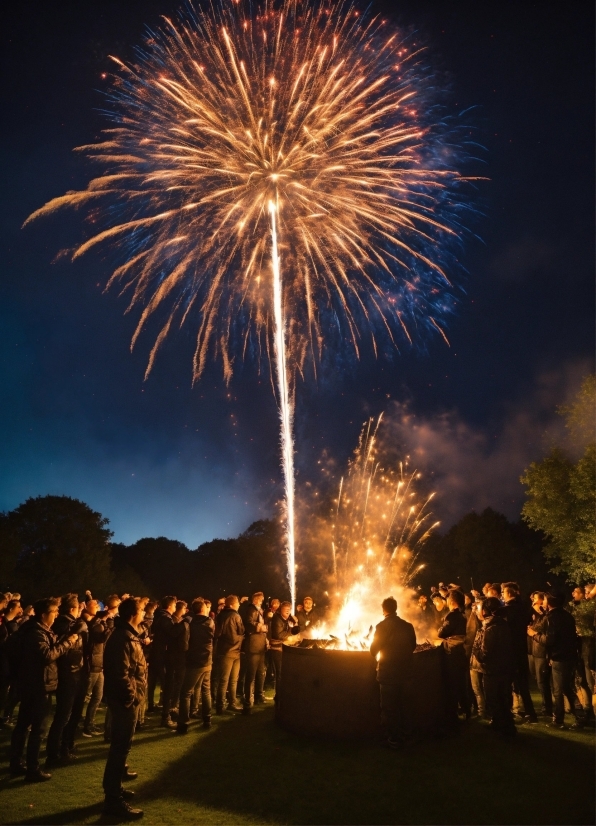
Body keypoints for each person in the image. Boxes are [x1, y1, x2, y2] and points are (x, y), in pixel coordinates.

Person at [10, 598, 78, 782]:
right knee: (38, 728)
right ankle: (33, 768)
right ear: (43, 614)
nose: (56, 615)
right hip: (38, 685)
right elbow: (47, 655)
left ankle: (16, 762)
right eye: (54, 612)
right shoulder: (35, 633)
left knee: (24, 724)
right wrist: (69, 641)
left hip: (32, 683)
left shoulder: (38, 630)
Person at [102, 597, 147, 820]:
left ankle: (115, 790)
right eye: (142, 611)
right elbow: (121, 674)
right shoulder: (122, 638)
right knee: (119, 749)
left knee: (122, 748)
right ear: (133, 614)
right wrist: (131, 697)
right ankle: (113, 801)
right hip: (124, 702)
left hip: (126, 701)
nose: (144, 615)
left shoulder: (128, 635)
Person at [528, 593, 582, 729]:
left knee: (559, 690)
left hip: (560, 657)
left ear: (550, 602)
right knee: (566, 687)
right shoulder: (567, 616)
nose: (543, 602)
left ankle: (559, 720)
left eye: (545, 600)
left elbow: (549, 640)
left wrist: (534, 634)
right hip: (568, 655)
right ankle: (579, 717)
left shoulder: (552, 618)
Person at [45, 594, 88, 767]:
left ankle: (67, 745)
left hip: (76, 671)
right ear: (72, 609)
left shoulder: (73, 623)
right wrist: (75, 631)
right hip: (68, 674)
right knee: (64, 715)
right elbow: (61, 649)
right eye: (78, 607)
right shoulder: (64, 624)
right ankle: (55, 752)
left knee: (74, 713)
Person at [369, 596, 417, 749]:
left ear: (384, 610)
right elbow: (413, 646)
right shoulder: (408, 625)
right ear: (395, 608)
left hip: (388, 674)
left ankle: (393, 739)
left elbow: (373, 649)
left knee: (389, 708)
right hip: (406, 673)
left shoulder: (381, 626)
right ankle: (408, 737)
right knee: (406, 706)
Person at [472, 597, 516, 737]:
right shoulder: (502, 624)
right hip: (503, 668)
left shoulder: (490, 628)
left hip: (492, 670)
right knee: (502, 698)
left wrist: (476, 652)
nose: (477, 612)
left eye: (479, 609)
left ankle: (505, 728)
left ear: (485, 611)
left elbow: (485, 653)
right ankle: (499, 723)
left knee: (495, 699)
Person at [501, 582, 537, 723]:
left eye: (503, 592)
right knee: (522, 685)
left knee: (506, 684)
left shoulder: (508, 610)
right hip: (521, 649)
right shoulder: (523, 608)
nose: (502, 595)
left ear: (509, 593)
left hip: (510, 650)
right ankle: (530, 713)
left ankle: (507, 713)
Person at [177, 598, 214, 733]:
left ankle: (183, 724)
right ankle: (207, 720)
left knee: (186, 693)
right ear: (203, 608)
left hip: (194, 662)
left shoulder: (191, 624)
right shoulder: (210, 622)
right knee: (206, 690)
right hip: (207, 660)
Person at [82, 597, 114, 737]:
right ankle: (77, 723)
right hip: (93, 662)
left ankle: (89, 724)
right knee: (84, 696)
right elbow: (101, 638)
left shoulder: (97, 620)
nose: (97, 607)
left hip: (99, 662)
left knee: (97, 697)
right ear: (88, 607)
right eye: (95, 605)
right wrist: (109, 626)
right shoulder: (92, 622)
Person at [438, 589, 469, 721]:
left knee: (453, 683)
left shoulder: (452, 616)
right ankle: (467, 710)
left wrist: (440, 628)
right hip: (463, 651)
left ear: (451, 602)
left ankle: (453, 713)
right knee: (463, 683)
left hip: (453, 653)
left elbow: (441, 633)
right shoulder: (465, 614)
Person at [213, 595, 245, 714]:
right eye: (237, 603)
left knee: (224, 680)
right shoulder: (236, 615)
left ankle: (221, 705)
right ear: (232, 604)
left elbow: (217, 633)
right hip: (234, 650)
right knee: (232, 680)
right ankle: (230, 704)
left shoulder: (220, 615)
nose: (239, 604)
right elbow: (241, 631)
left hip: (223, 651)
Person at [242, 592, 269, 713]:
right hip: (253, 647)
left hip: (260, 646)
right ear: (256, 600)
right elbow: (248, 624)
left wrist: (265, 638)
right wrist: (261, 627)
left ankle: (259, 695)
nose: (262, 601)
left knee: (260, 672)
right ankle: (248, 702)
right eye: (260, 599)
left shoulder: (259, 610)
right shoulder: (251, 610)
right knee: (251, 675)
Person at [268, 601, 299, 701]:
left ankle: (284, 694)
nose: (288, 611)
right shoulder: (277, 619)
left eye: (289, 609)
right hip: (277, 649)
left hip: (284, 649)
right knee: (280, 673)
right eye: (285, 609)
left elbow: (297, 630)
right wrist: (291, 631)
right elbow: (279, 635)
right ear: (281, 609)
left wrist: (296, 623)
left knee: (285, 673)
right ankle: (279, 696)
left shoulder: (288, 619)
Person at [528, 592, 552, 718]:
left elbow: (538, 629)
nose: (533, 600)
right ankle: (546, 706)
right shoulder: (536, 614)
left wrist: (532, 629)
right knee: (538, 679)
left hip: (541, 651)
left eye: (536, 598)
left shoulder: (545, 615)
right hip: (534, 650)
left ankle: (547, 707)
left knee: (543, 681)